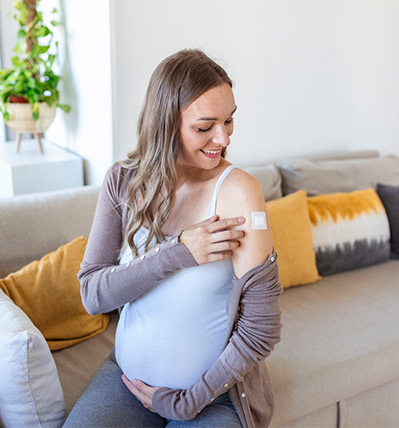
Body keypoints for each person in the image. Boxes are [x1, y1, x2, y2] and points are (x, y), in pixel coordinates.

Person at [68, 49, 281, 428]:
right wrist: (178, 252)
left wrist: (188, 402)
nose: (223, 137)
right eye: (205, 127)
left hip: (213, 396)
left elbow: (261, 328)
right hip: (127, 381)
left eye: (229, 120)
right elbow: (93, 295)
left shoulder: (240, 192)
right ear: (166, 124)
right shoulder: (123, 181)